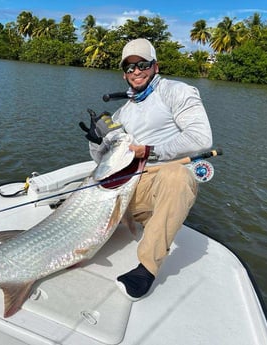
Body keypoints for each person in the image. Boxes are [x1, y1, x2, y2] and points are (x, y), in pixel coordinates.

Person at [80, 38, 213, 300]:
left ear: (155, 66)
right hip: (125, 185)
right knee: (85, 189)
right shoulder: (121, 113)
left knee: (177, 176)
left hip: (159, 181)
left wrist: (151, 151)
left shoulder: (177, 92)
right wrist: (95, 143)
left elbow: (201, 138)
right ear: (124, 74)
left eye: (142, 64)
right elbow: (102, 160)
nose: (136, 71)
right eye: (130, 68)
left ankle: (147, 268)